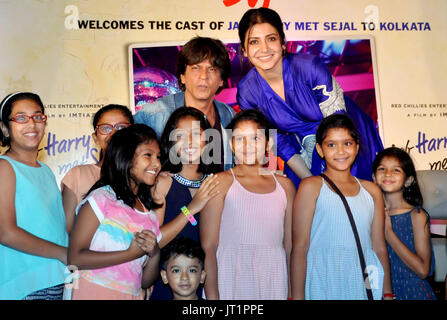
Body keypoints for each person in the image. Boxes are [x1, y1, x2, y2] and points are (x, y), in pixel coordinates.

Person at [236, 7, 383, 187]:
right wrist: (309, 179)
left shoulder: (310, 67)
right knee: (304, 194)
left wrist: (332, 178)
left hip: (344, 136)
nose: (264, 48)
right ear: (244, 49)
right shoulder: (247, 92)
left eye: (271, 39)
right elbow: (277, 141)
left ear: (282, 42)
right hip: (298, 148)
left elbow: (339, 126)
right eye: (254, 42)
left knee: (351, 193)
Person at [291, 113, 392, 300]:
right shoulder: (311, 186)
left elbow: (377, 248)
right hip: (324, 281)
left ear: (357, 146)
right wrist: (297, 297)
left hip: (362, 280)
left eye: (347, 143)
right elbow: (300, 248)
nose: (340, 151)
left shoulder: (372, 191)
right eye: (331, 145)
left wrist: (384, 294)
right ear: (320, 150)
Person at [201, 109, 295, 300]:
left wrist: (291, 291)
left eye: (255, 138)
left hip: (273, 278)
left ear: (268, 143)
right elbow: (208, 246)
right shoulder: (220, 182)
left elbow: (289, 245)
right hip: (231, 279)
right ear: (231, 144)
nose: (248, 146)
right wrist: (212, 296)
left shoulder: (285, 186)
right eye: (240, 139)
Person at [68, 124, 162, 300]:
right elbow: (75, 257)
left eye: (158, 157)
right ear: (125, 157)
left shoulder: (150, 216)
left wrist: (155, 253)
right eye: (148, 155)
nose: (157, 164)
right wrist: (129, 254)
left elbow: (144, 281)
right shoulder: (102, 199)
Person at [0, 92, 68, 300]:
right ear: (5, 128)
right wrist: (63, 253)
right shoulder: (5, 167)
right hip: (24, 285)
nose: (32, 124)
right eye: (21, 117)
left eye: (38, 116)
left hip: (54, 280)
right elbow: (5, 232)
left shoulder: (46, 171)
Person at [134, 36, 235, 171]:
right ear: (182, 76)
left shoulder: (228, 115)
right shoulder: (157, 114)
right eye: (196, 68)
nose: (203, 76)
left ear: (221, 80)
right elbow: (121, 149)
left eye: (212, 69)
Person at [149, 107, 220, 299]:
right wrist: (191, 209)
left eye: (196, 134)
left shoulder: (216, 182)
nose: (190, 141)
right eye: (181, 135)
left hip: (206, 281)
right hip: (167, 282)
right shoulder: (163, 182)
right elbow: (154, 240)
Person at [372, 147, 437, 300]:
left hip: (414, 292)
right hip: (379, 292)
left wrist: (389, 234)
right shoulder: (369, 214)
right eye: (382, 169)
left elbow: (423, 270)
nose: (388, 174)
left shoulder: (417, 216)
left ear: (408, 180)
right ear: (374, 177)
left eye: (396, 170)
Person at [61, 104, 134, 235]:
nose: (114, 133)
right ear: (95, 137)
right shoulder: (77, 175)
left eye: (121, 127)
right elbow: (68, 231)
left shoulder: (142, 176)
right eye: (106, 128)